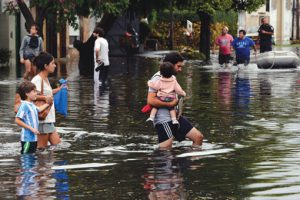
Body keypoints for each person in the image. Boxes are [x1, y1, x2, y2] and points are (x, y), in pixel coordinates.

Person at [147, 52, 204, 149]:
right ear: (170, 64)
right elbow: (151, 100)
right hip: (163, 119)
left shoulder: (171, 77)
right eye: (178, 66)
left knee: (198, 137)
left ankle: (190, 163)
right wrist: (171, 104)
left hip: (175, 118)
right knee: (166, 149)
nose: (180, 69)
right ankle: (162, 163)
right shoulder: (158, 78)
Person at [31, 52, 63, 150]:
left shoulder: (45, 78)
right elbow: (31, 96)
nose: (54, 65)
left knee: (57, 145)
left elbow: (46, 93)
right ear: (46, 66)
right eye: (52, 63)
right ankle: (39, 165)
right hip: (43, 121)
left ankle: (47, 165)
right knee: (41, 149)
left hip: (48, 119)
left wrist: (59, 89)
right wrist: (45, 98)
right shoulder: (37, 80)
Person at [15, 81, 50, 154]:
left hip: (33, 138)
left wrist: (48, 104)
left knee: (31, 158)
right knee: (26, 157)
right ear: (27, 94)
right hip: (27, 139)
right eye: (34, 91)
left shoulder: (31, 104)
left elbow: (39, 109)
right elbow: (17, 120)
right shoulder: (24, 105)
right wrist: (31, 128)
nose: (36, 93)